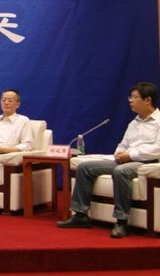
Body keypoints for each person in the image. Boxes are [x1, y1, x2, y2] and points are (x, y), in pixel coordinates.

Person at [57, 82, 160, 238]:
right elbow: (123, 144)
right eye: (130, 97)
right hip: (126, 159)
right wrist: (119, 153)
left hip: (148, 162)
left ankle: (121, 221)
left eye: (134, 97)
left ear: (148, 100)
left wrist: (130, 155)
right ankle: (80, 215)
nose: (130, 101)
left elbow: (157, 149)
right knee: (84, 167)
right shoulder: (134, 122)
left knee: (120, 172)